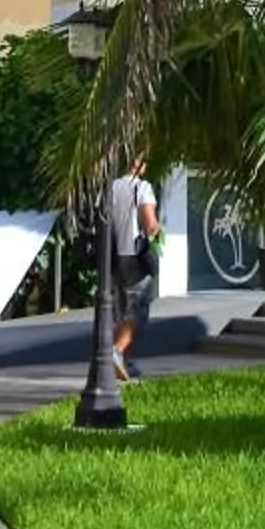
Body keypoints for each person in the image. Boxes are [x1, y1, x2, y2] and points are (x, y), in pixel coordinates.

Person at [107, 155, 160, 382]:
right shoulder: (142, 187)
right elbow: (149, 224)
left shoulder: (111, 187)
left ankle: (122, 364)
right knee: (137, 310)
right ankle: (117, 351)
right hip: (135, 256)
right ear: (139, 165)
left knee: (120, 311)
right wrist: (157, 229)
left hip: (113, 255)